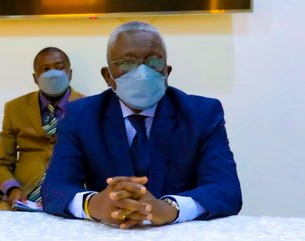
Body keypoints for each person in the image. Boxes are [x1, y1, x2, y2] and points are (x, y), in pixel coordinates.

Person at [42, 21, 242, 227]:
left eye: (154, 61)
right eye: (127, 62)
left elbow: (226, 189)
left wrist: (170, 208)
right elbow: (55, 188)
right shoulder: (80, 116)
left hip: (179, 235)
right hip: (109, 236)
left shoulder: (202, 114)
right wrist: (94, 205)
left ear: (167, 72)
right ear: (108, 76)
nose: (143, 72)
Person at [0, 47, 84, 210]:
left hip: (69, 196)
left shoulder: (88, 107)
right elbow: (1, 164)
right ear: (35, 78)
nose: (53, 74)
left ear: (70, 74)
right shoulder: (15, 108)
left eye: (59, 67)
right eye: (45, 69)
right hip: (21, 197)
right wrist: (12, 189)